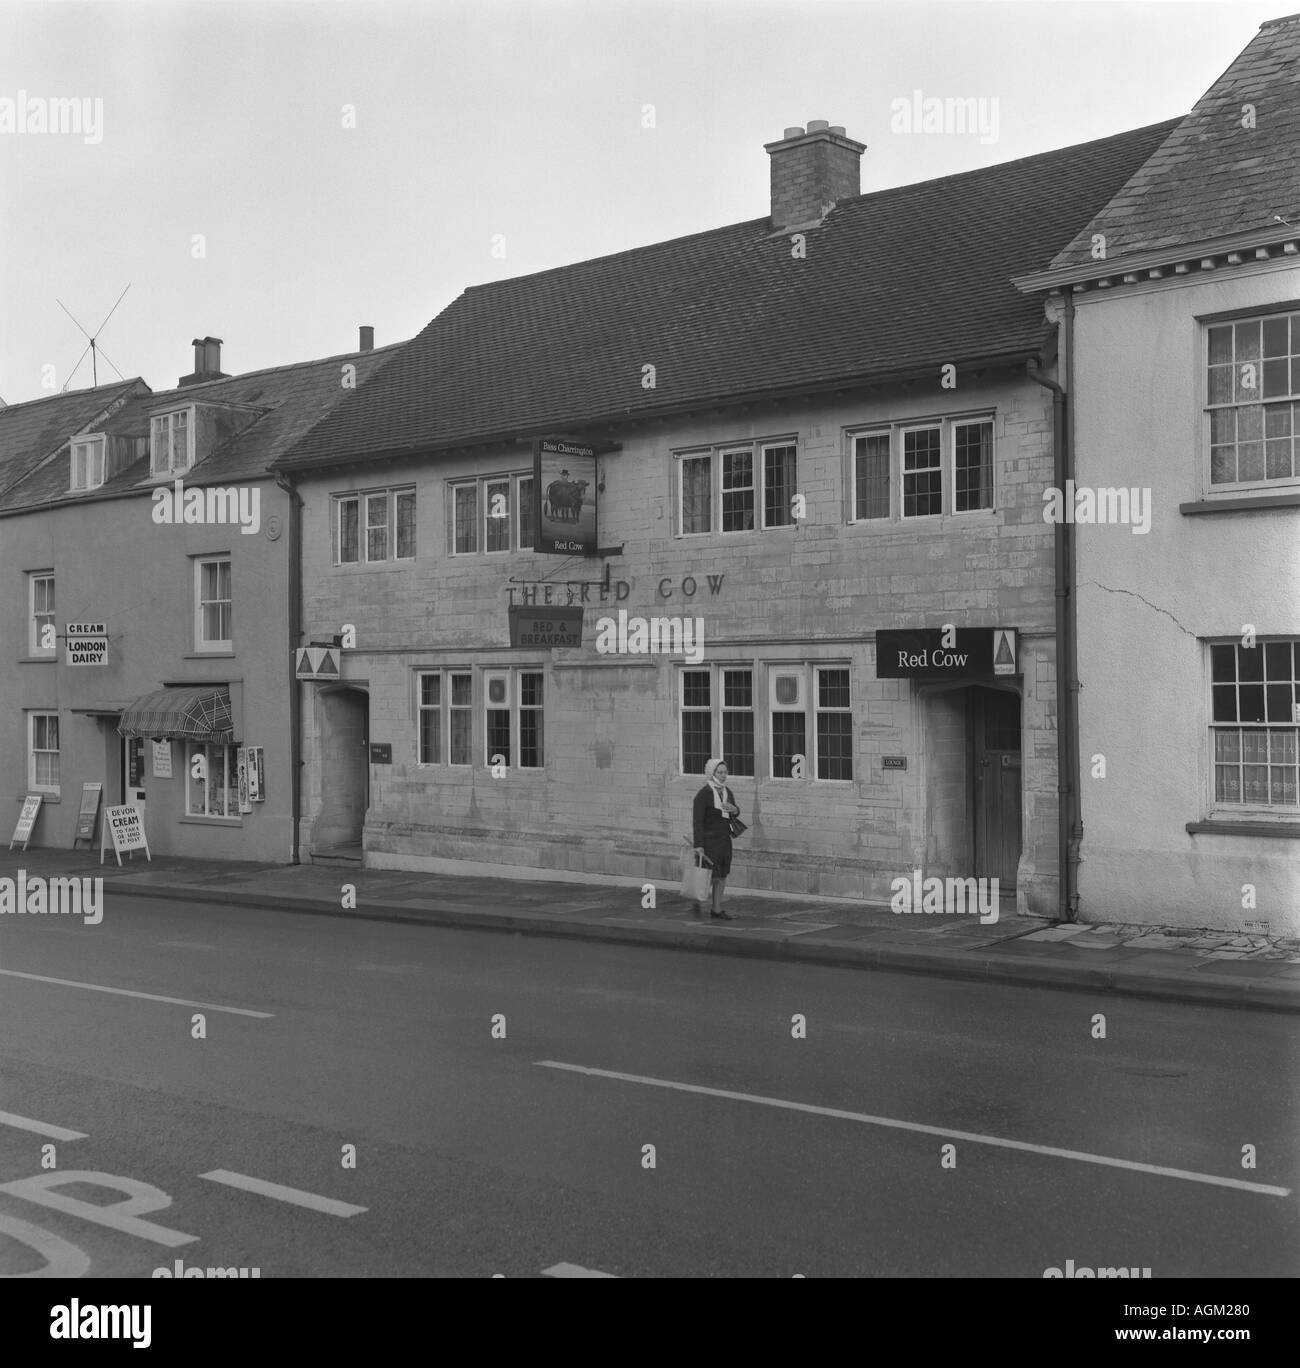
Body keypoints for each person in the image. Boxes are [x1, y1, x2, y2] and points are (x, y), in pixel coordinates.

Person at [692, 757, 741, 920]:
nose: (723, 775)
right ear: (712, 773)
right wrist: (699, 845)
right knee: (708, 876)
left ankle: (717, 909)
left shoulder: (728, 792)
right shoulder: (703, 794)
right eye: (720, 772)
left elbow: (735, 812)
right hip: (709, 840)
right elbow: (697, 821)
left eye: (725, 772)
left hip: (724, 840)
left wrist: (735, 809)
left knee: (722, 875)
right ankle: (697, 900)